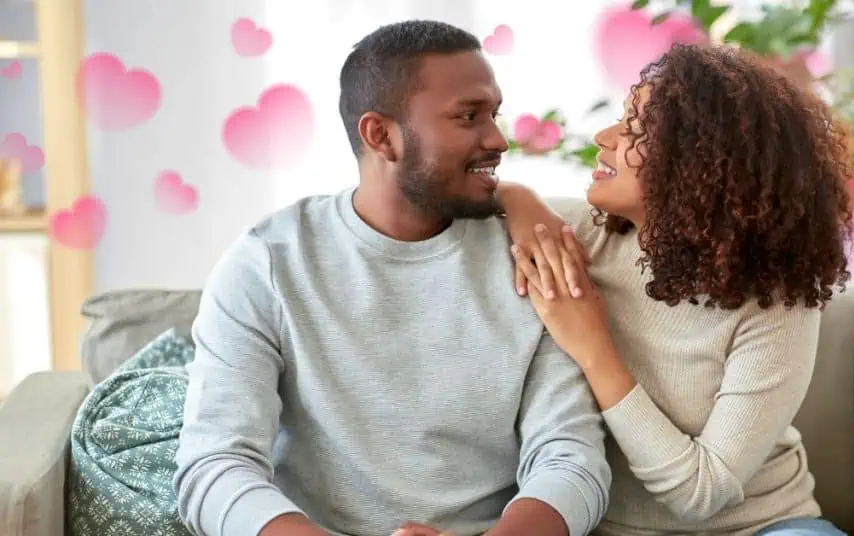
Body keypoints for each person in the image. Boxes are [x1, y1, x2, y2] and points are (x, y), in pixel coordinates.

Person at [173, 20, 611, 536]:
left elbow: (571, 458)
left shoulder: (530, 256)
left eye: (494, 113)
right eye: (468, 116)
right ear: (380, 135)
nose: (497, 138)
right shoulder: (266, 265)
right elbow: (213, 467)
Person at [498, 44, 854, 536]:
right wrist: (517, 197)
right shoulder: (581, 237)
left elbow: (703, 492)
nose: (604, 138)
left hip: (761, 528)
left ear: (698, 162)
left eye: (635, 129)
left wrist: (593, 346)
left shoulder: (776, 301)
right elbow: (463, 195)